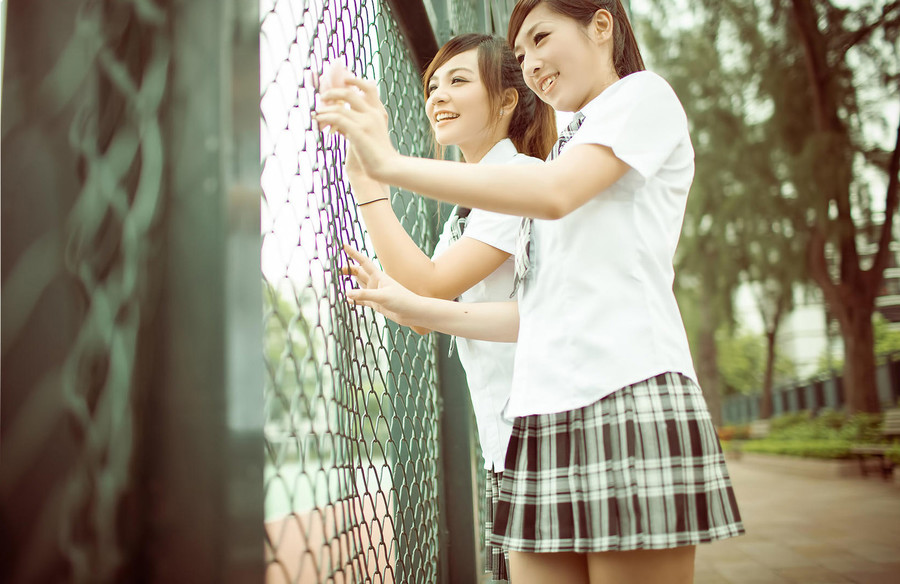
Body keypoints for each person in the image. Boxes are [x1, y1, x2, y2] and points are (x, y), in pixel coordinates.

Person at [317, 1, 745, 582]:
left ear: (601, 26)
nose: (533, 62)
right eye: (521, 53)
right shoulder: (563, 147)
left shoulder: (641, 98)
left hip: (626, 393)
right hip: (539, 414)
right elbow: (534, 313)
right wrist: (414, 305)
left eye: (542, 39)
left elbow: (556, 194)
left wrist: (388, 166)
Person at [341, 33, 556, 582]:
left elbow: (432, 285)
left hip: (543, 431)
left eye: (459, 80)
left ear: (507, 101)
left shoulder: (514, 178)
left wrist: (371, 189)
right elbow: (424, 301)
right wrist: (395, 297)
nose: (438, 94)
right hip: (510, 437)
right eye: (433, 83)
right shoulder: (470, 206)